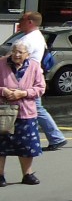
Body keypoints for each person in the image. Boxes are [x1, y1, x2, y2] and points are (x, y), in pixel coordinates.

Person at [11, 11, 67, 150]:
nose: (19, 22)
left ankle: (56, 137)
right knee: (35, 109)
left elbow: (15, 58)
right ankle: (56, 138)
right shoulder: (36, 36)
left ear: (30, 22)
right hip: (31, 76)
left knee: (35, 109)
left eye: (22, 19)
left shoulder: (27, 40)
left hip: (25, 78)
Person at [0, 40, 46, 186]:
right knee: (1, 146)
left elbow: (40, 88)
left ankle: (27, 174)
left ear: (28, 54)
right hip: (4, 112)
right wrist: (3, 90)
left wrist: (23, 93)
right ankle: (0, 175)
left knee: (27, 146)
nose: (17, 54)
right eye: (14, 51)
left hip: (26, 112)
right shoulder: (1, 63)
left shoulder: (34, 66)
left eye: (20, 52)